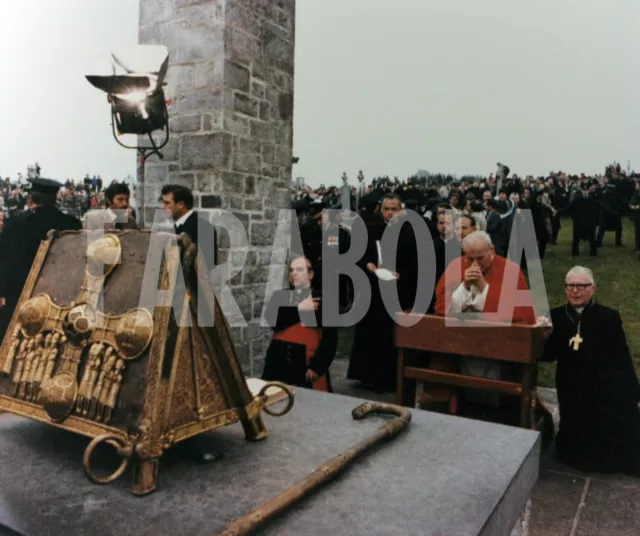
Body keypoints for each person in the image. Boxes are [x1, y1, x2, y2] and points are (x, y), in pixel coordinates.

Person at [541, 266, 640, 476]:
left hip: (600, 380)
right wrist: (544, 337)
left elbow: (621, 357)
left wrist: (634, 392)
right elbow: (548, 356)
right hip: (570, 380)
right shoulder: (556, 316)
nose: (575, 291)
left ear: (592, 288)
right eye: (570, 286)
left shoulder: (608, 317)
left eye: (581, 286)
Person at [0, 178, 82, 342]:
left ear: (30, 198)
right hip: (58, 291)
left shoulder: (17, 222)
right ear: (55, 198)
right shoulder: (71, 223)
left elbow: (5, 259)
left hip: (19, 289)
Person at [262, 256, 337, 391]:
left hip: (306, 364)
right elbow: (273, 322)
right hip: (278, 362)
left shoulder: (323, 299)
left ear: (310, 274)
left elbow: (330, 339)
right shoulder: (280, 296)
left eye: (299, 269)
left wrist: (317, 367)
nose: (294, 273)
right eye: (291, 270)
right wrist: (299, 309)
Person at [161, 184, 217, 268]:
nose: (162, 207)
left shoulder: (204, 228)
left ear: (180, 204)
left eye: (167, 203)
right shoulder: (174, 227)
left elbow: (207, 266)